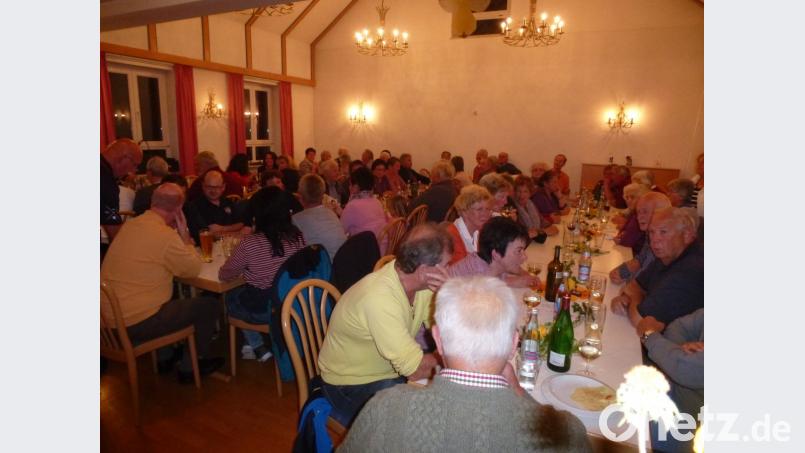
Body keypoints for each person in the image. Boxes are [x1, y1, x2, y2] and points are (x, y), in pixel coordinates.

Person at [339, 276, 591, 452]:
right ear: (514, 343)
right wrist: (519, 392)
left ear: (437, 339)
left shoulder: (385, 407)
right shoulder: (567, 434)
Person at [317, 224, 451, 427]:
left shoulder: (420, 285)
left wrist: (448, 294)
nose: (448, 272)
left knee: (440, 408)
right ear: (425, 271)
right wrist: (456, 356)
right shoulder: (379, 298)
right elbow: (415, 370)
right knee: (417, 427)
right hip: (350, 385)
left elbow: (445, 329)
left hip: (388, 373)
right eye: (446, 265)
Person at [101, 183, 223, 381]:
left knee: (165, 293)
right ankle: (190, 367)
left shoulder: (130, 224)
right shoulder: (165, 236)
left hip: (105, 322)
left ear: (152, 203)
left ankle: (165, 358)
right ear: (178, 210)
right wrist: (184, 235)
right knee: (208, 305)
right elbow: (192, 269)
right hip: (131, 325)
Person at [219, 186, 307, 361]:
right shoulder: (297, 236)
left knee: (231, 296)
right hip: (294, 303)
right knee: (247, 293)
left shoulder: (250, 243)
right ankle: (253, 345)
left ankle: (256, 344)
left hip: (267, 309)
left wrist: (247, 272)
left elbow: (225, 275)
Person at [611, 207, 703, 327]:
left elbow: (639, 321)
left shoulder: (690, 271)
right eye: (651, 232)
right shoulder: (667, 255)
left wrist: (633, 297)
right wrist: (629, 296)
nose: (654, 240)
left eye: (663, 232)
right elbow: (634, 285)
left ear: (686, 235)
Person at [638, 308, 704, 453]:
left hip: (688, 426)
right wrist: (681, 350)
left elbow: (685, 369)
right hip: (667, 392)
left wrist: (648, 335)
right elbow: (677, 326)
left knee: (610, 418)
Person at [448, 217, 539, 288]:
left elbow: (497, 277)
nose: (525, 257)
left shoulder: (487, 261)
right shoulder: (477, 280)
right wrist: (513, 281)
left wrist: (523, 275)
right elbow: (486, 284)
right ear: (496, 254)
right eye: (518, 251)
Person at [609, 192, 672, 284]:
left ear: (662, 213)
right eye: (638, 212)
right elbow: (640, 259)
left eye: (645, 211)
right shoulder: (649, 234)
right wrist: (621, 272)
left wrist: (631, 285)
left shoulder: (667, 243)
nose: (639, 217)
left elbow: (653, 279)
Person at [292, 174, 347, 260]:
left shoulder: (296, 220)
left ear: (301, 196)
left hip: (325, 269)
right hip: (344, 262)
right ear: (322, 194)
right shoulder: (331, 213)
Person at [185, 170, 246, 243]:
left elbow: (241, 223)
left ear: (223, 187)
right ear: (203, 186)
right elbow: (209, 235)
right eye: (209, 187)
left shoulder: (227, 202)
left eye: (217, 187)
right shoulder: (194, 206)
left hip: (230, 246)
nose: (213, 191)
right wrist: (235, 232)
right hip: (208, 248)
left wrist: (222, 229)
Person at [101, 138, 144, 243]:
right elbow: (115, 234)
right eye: (135, 165)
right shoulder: (106, 182)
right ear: (124, 159)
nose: (133, 171)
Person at [446, 185, 493, 265]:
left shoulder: (479, 231)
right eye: (479, 209)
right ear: (464, 212)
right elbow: (461, 271)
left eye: (488, 209)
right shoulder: (452, 236)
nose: (485, 214)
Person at [341, 167, 388, 238]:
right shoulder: (376, 201)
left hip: (367, 247)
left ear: (356, 187)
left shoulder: (352, 206)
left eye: (350, 184)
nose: (349, 187)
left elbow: (341, 229)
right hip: (383, 245)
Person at [612, 183, 650, 255]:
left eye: (632, 197)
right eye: (627, 197)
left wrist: (622, 237)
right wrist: (622, 235)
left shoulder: (640, 215)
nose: (628, 200)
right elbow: (622, 232)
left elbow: (626, 241)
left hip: (637, 256)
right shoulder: (634, 213)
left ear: (641, 198)